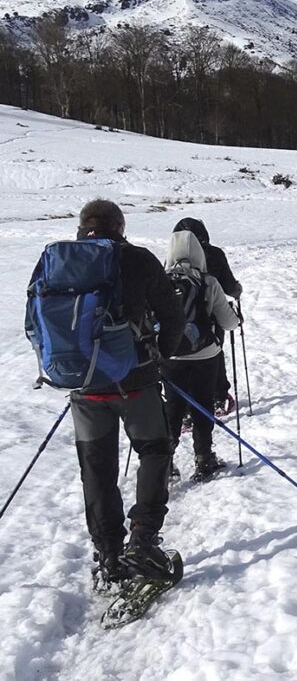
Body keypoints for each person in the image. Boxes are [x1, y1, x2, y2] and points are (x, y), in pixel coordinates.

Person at [64, 200, 185, 587]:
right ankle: (143, 541)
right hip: (135, 379)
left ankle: (109, 554)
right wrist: (160, 354)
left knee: (96, 468)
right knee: (154, 450)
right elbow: (173, 315)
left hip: (83, 385)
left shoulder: (61, 259)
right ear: (120, 225)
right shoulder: (137, 258)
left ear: (83, 226)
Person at [162, 230, 240, 481]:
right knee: (202, 404)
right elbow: (228, 323)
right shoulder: (208, 282)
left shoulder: (159, 281)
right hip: (205, 355)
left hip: (169, 355)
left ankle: (165, 462)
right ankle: (204, 459)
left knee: (172, 406)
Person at [172, 218, 241, 414]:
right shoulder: (215, 254)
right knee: (213, 355)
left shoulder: (172, 259)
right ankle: (218, 397)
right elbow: (229, 285)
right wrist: (237, 292)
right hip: (213, 315)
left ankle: (184, 407)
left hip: (180, 320)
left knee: (181, 356)